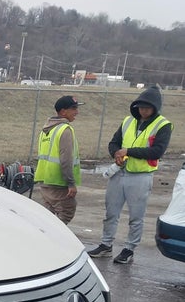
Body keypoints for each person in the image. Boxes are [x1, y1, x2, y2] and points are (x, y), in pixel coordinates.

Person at [87, 84, 173, 264]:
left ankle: (129, 248)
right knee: (111, 212)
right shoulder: (128, 121)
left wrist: (128, 151)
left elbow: (157, 151)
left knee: (136, 216)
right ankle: (106, 244)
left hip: (140, 176)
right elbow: (114, 143)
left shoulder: (162, 125)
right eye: (140, 107)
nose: (143, 110)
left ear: (155, 108)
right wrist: (116, 154)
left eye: (147, 107)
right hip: (120, 172)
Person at [33, 95, 83, 224]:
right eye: (73, 109)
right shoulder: (64, 130)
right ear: (63, 111)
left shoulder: (47, 129)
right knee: (66, 212)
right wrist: (71, 183)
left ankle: (44, 238)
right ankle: (56, 241)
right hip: (59, 182)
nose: (77, 112)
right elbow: (66, 159)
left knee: (47, 216)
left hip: (45, 180)